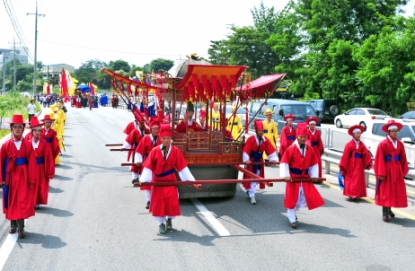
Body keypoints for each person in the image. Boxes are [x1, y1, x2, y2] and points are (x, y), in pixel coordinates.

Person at [138, 123, 201, 234]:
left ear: (170, 139)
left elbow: (182, 167)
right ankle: (161, 224)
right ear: (161, 139)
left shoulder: (176, 151)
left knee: (172, 201)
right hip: (158, 182)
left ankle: (169, 219)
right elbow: (148, 167)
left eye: (168, 138)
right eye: (164, 138)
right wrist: (143, 180)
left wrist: (193, 181)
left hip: (171, 180)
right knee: (159, 203)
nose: (166, 140)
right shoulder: (155, 151)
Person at [280, 123, 325, 229]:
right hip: (293, 178)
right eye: (301, 137)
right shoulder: (291, 148)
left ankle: (293, 212)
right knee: (292, 199)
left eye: (304, 137)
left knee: (304, 197)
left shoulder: (310, 149)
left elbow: (314, 163)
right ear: (297, 136)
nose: (303, 139)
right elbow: (284, 162)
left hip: (304, 178)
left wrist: (314, 175)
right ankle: (292, 220)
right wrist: (286, 175)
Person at [1, 114, 37, 238]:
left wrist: (31, 179)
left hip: (23, 176)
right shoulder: (6, 145)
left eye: (19, 127)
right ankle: (13, 226)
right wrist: (1, 180)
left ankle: (21, 227)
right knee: (11, 201)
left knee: (22, 200)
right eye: (15, 127)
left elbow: (32, 162)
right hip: (10, 176)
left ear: (23, 129)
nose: (17, 129)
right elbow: (0, 163)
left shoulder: (27, 144)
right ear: (11, 128)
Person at [374, 120, 409, 222]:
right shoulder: (383, 144)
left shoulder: (400, 144)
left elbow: (403, 158)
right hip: (387, 170)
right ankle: (385, 213)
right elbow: (379, 159)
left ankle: (389, 209)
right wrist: (381, 173)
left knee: (394, 191)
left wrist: (403, 171)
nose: (395, 133)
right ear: (388, 132)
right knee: (386, 191)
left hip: (397, 169)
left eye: (396, 131)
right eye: (393, 131)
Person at [242, 120, 278, 204]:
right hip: (251, 161)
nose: (261, 132)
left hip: (260, 162)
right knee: (252, 178)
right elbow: (246, 150)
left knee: (257, 177)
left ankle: (250, 191)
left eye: (262, 131)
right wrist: (246, 159)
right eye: (259, 131)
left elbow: (270, 150)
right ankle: (252, 196)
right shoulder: (251, 139)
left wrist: (272, 158)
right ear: (256, 131)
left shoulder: (265, 140)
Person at [27, 116, 55, 209]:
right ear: (32, 131)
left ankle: (37, 201)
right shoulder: (27, 142)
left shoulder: (44, 143)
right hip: (30, 167)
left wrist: (49, 170)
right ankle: (30, 201)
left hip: (40, 167)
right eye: (35, 130)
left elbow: (48, 158)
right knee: (30, 184)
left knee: (40, 184)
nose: (38, 132)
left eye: (39, 131)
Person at [339, 125, 372, 201]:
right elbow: (345, 155)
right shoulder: (349, 144)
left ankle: (356, 193)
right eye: (357, 133)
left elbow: (366, 154)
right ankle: (351, 193)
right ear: (353, 134)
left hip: (359, 164)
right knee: (350, 178)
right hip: (351, 163)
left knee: (357, 179)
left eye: (359, 133)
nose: (358, 135)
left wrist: (368, 162)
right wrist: (343, 166)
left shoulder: (362, 145)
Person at [134, 119, 161, 209]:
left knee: (158, 181)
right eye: (154, 129)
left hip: (158, 162)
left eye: (158, 129)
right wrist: (138, 160)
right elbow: (139, 151)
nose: (156, 131)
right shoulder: (145, 138)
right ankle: (148, 201)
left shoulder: (161, 139)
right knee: (147, 182)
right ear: (151, 130)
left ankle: (157, 200)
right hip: (147, 162)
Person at [306, 116, 324, 181]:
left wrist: (321, 149)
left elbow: (319, 141)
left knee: (317, 162)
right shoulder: (307, 131)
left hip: (316, 149)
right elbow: (306, 140)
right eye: (311, 124)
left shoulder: (317, 132)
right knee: (309, 162)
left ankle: (317, 177)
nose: (313, 126)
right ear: (309, 125)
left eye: (314, 124)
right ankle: (309, 176)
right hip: (309, 149)